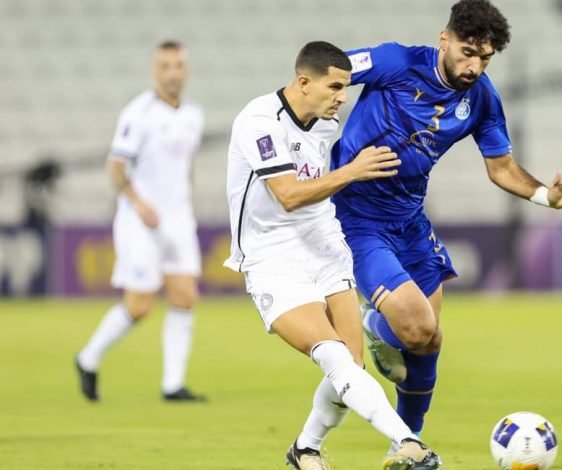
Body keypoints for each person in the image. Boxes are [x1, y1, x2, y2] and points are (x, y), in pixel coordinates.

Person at [330, 0, 562, 442]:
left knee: (429, 340)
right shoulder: (395, 62)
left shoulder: (481, 98)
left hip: (410, 220)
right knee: (416, 327)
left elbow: (501, 167)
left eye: (485, 58)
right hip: (357, 219)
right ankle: (373, 326)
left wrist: (545, 197)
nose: (474, 66)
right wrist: (307, 129)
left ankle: (410, 444)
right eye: (467, 53)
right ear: (445, 39)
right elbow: (330, 69)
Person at [224, 41, 442, 470]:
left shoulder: (325, 123)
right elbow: (288, 195)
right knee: (335, 357)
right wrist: (352, 171)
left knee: (352, 366)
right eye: (335, 87)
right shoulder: (259, 122)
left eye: (345, 87)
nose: (343, 96)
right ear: (304, 82)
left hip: (325, 247)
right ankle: (408, 442)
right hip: (272, 258)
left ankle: (305, 449)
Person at [75, 40, 206, 402]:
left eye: (178, 65)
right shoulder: (138, 113)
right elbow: (115, 167)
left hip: (179, 220)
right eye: (165, 66)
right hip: (141, 222)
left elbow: (185, 166)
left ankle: (173, 385)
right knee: (139, 305)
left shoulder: (194, 115)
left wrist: (186, 197)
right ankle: (87, 358)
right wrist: (138, 203)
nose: (172, 73)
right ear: (154, 70)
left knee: (184, 295)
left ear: (186, 69)